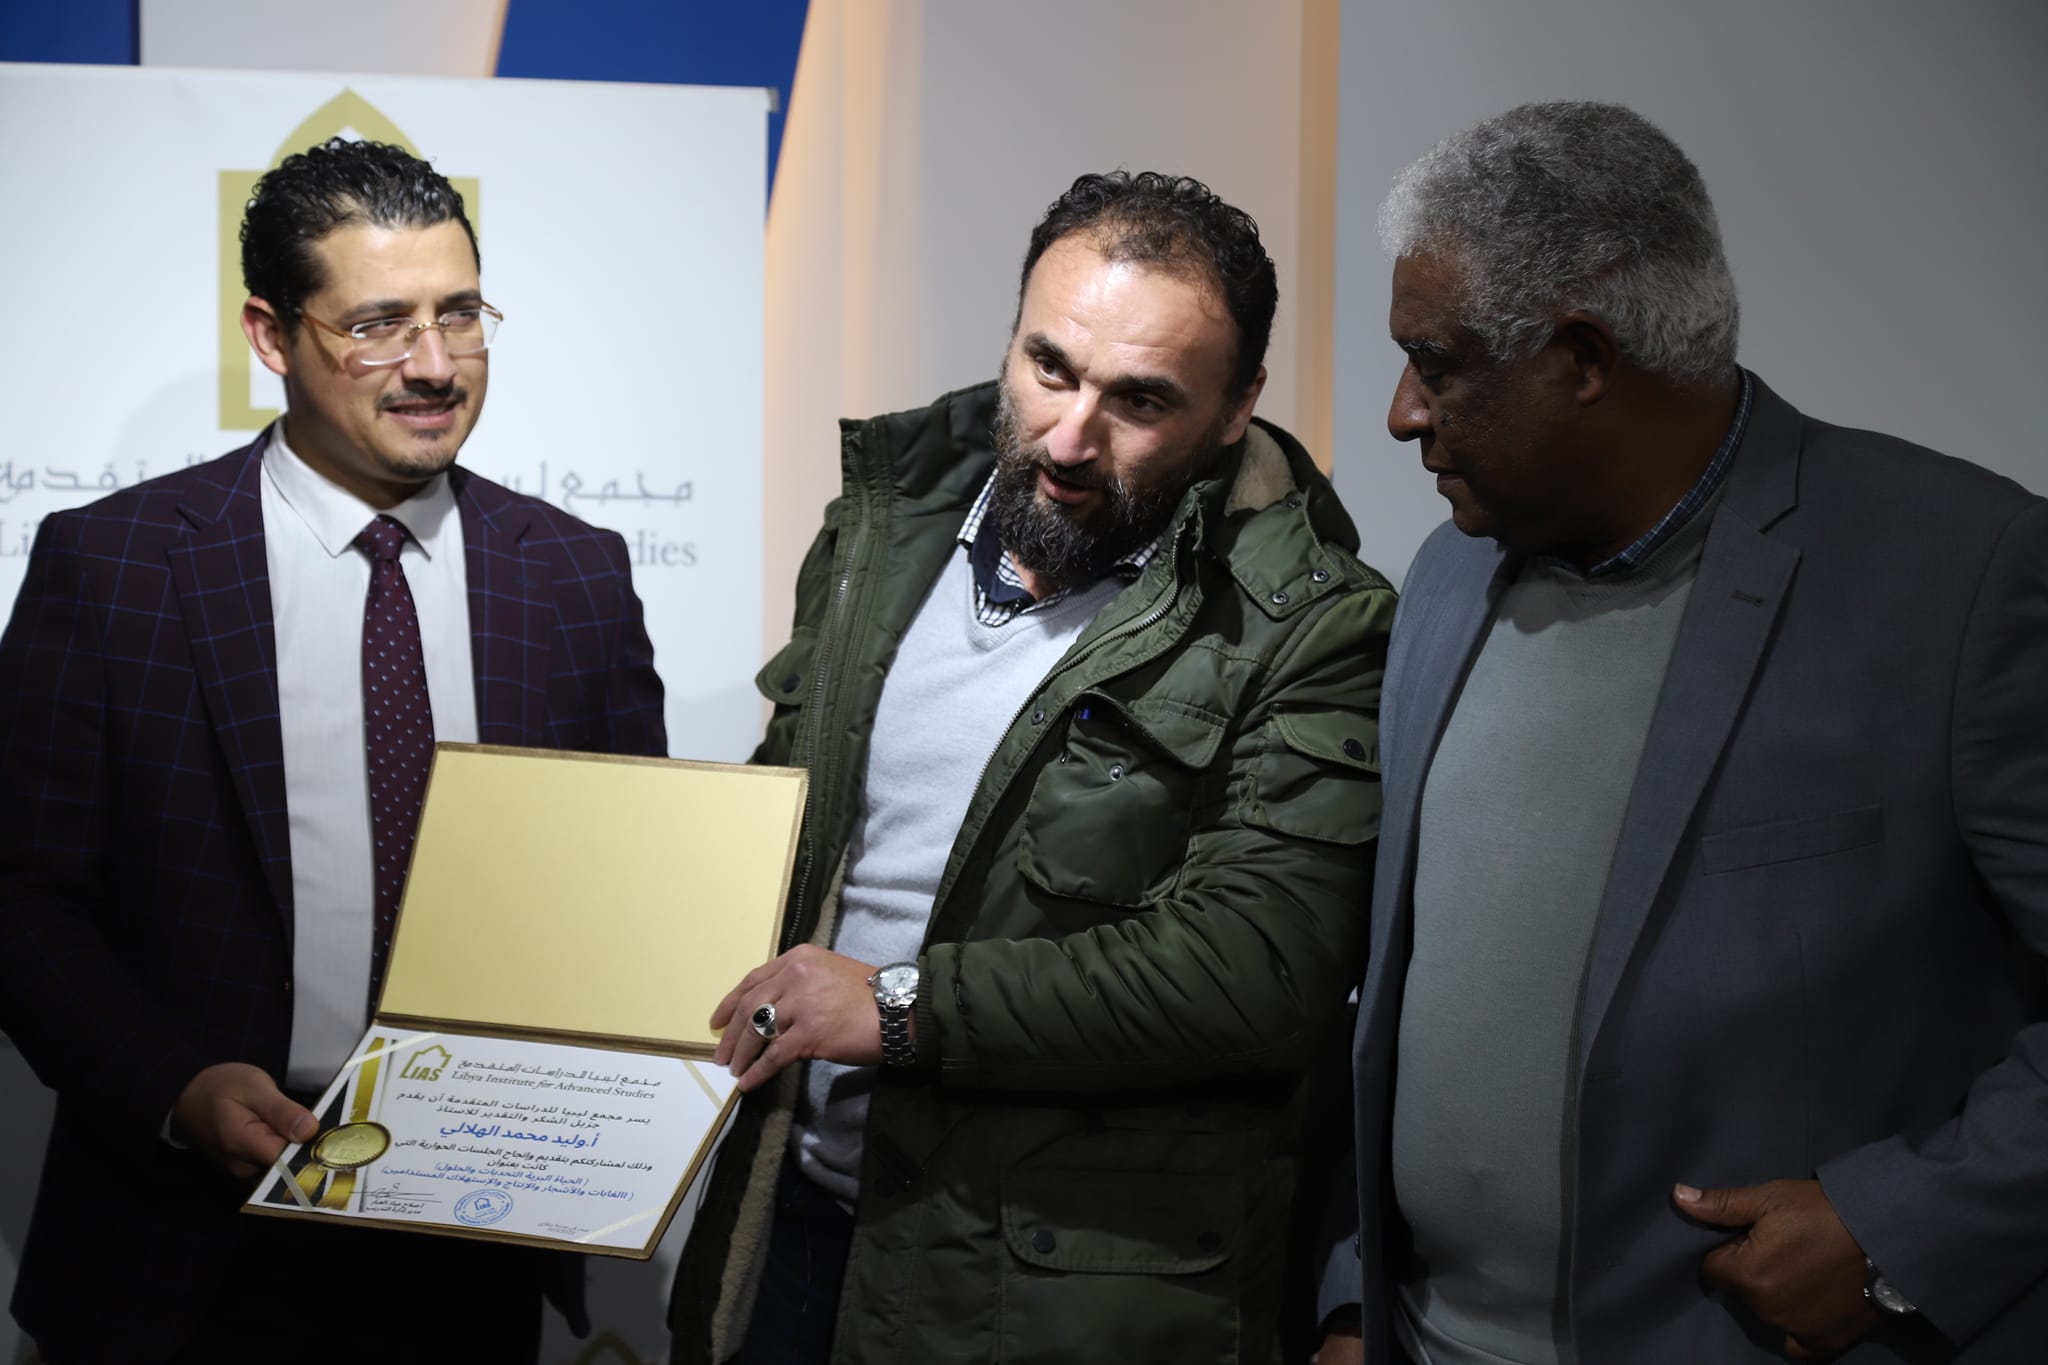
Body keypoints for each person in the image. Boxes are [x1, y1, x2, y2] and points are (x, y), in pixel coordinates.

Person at [1334, 101, 2048, 1365]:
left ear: (1580, 358)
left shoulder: (1962, 573)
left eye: (1435, 362)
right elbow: (1387, 997)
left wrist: (1895, 1230)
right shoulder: (1447, 576)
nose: (1402, 412)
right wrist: (1350, 1298)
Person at [665, 171, 1396, 1364]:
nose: (1068, 436)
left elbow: (1252, 973)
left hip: (1052, 1295)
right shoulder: (886, 523)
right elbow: (799, 828)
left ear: (1235, 407)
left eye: (1138, 400)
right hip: (791, 1224)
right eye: (1047, 367)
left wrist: (900, 1008)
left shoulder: (1312, 625)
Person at [0, 137, 666, 1364]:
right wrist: (174, 1087)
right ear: (271, 335)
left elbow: (623, 895)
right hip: (176, 1245)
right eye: (377, 325)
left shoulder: (575, 574)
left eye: (458, 315)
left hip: (473, 1238)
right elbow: (23, 893)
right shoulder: (115, 566)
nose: (434, 365)